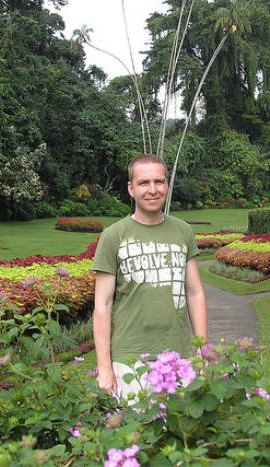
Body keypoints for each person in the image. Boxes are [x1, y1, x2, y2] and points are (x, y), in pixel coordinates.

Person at [91, 154, 207, 398]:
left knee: (183, 432)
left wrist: (202, 352)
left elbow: (195, 293)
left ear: (167, 185)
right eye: (144, 183)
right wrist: (104, 367)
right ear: (131, 189)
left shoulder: (183, 231)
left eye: (159, 181)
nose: (153, 190)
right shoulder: (114, 237)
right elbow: (102, 305)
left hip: (180, 356)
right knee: (137, 433)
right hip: (131, 359)